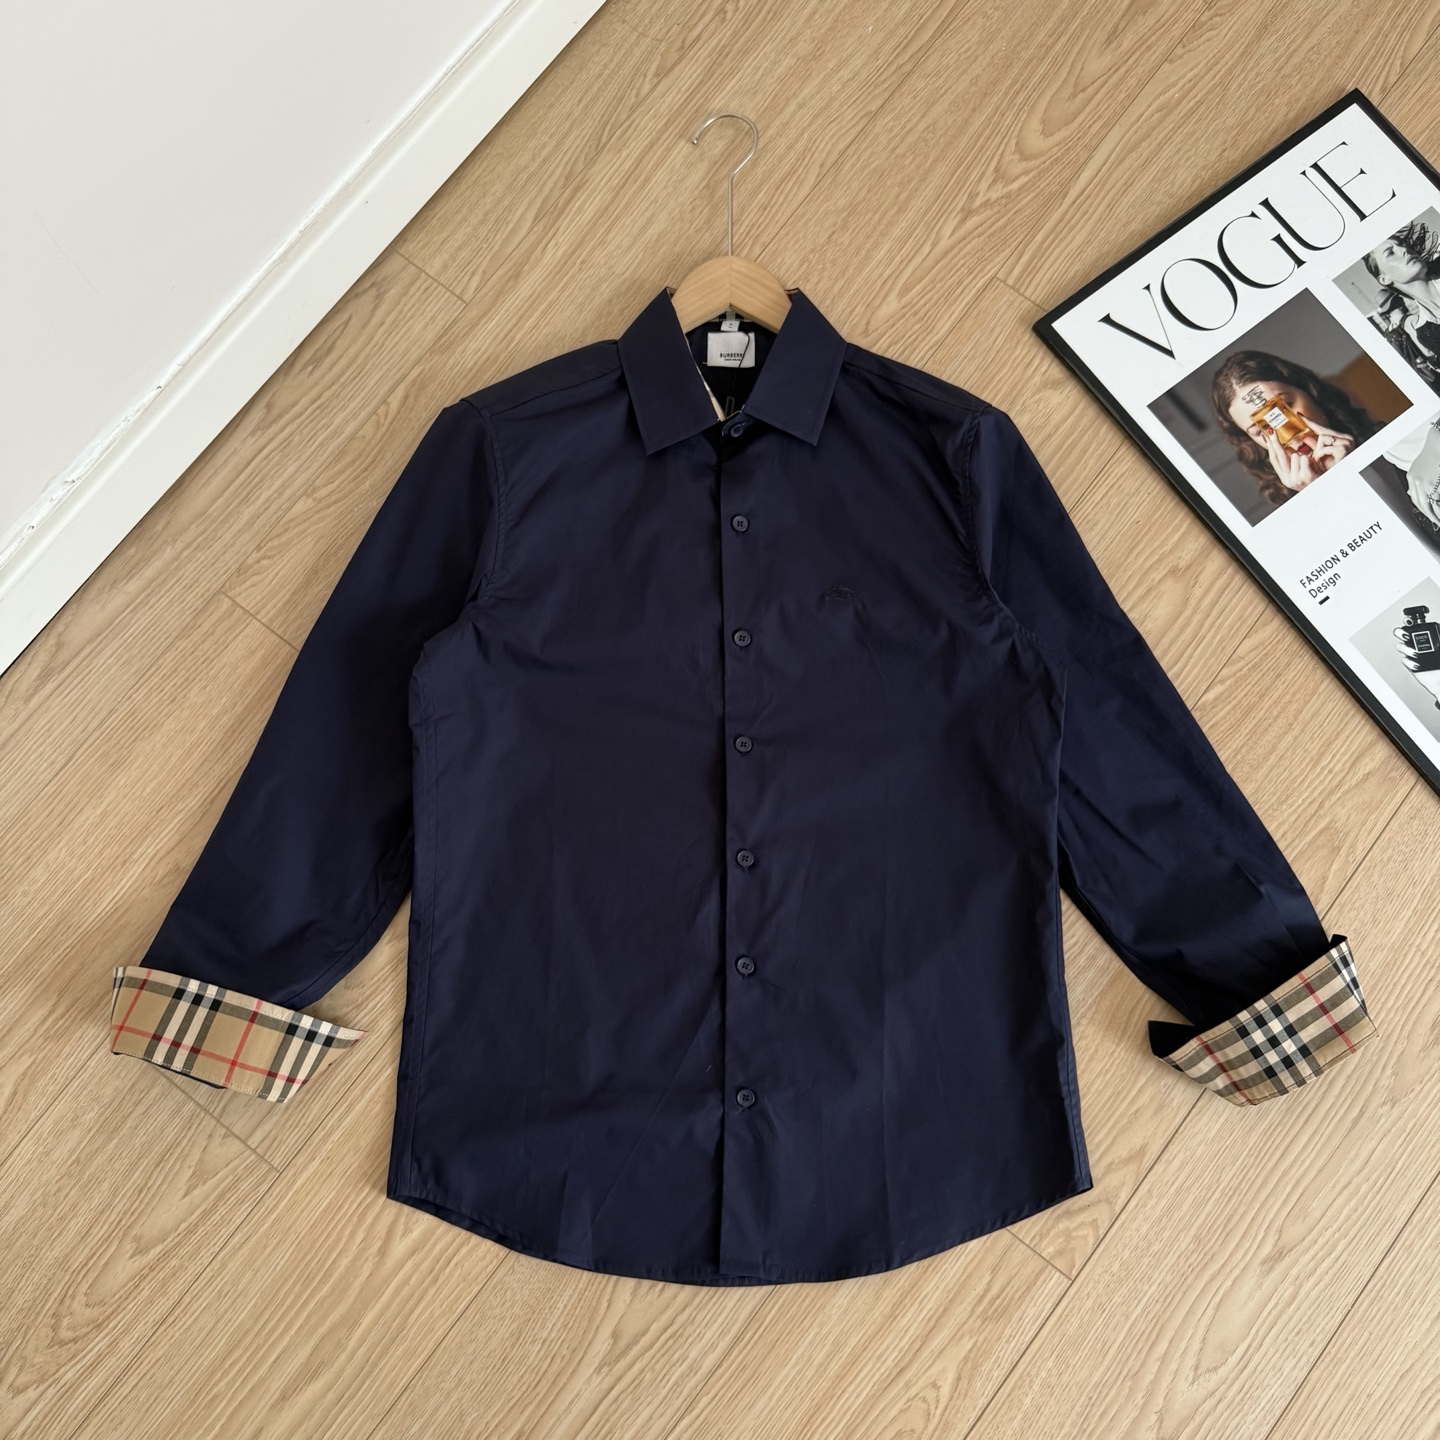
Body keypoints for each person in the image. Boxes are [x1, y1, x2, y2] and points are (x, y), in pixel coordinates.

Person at [1211, 350, 1377, 510]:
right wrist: (1319, 492)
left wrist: (1352, 468)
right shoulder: (1289, 511)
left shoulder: (1382, 437)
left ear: (1308, 391)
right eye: (1261, 430)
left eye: (1286, 407)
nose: (1289, 436)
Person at [1362, 220, 1440, 392]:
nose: (1404, 250)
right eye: (1390, 253)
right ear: (1384, 279)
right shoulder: (1424, 332)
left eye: (1402, 244)